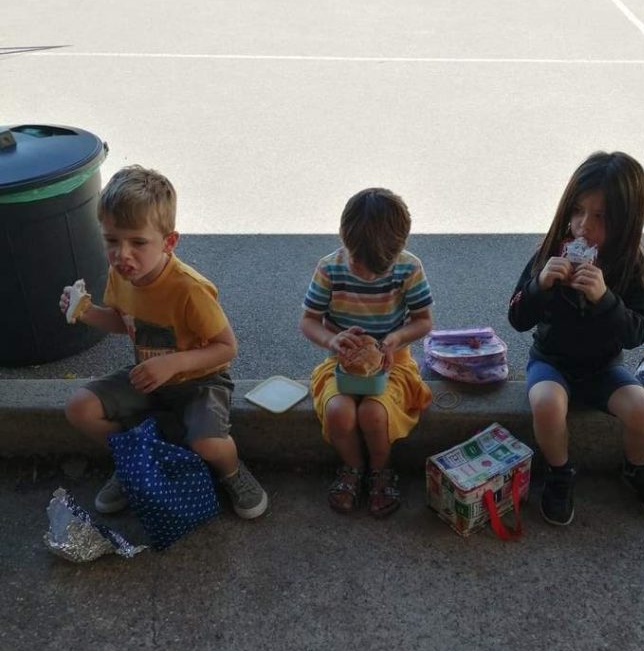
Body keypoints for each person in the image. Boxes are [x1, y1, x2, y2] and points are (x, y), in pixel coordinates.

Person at [59, 165, 268, 520]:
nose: (122, 254)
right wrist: (88, 312)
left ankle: (231, 471)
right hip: (149, 376)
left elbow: (226, 347)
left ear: (168, 242)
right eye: (112, 240)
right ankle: (136, 458)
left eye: (138, 242)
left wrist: (174, 363)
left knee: (207, 443)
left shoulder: (189, 289)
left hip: (200, 380)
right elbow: (126, 322)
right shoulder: (121, 275)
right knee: (80, 408)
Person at [508, 151, 644, 527]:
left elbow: (636, 333)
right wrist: (539, 286)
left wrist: (606, 300)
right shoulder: (549, 255)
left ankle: (637, 469)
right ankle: (560, 472)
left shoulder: (633, 268)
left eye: (600, 217)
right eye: (578, 211)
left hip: (603, 368)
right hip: (550, 361)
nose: (583, 226)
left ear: (627, 221)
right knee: (547, 404)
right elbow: (517, 318)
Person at [300, 188, 434, 518]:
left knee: (374, 413)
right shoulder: (329, 269)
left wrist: (396, 338)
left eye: (379, 269)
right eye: (359, 264)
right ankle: (353, 466)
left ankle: (380, 468)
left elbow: (423, 321)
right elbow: (308, 320)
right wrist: (333, 340)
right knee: (339, 412)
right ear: (344, 238)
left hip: (394, 361)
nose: (369, 275)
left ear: (399, 247)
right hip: (340, 362)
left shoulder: (408, 268)